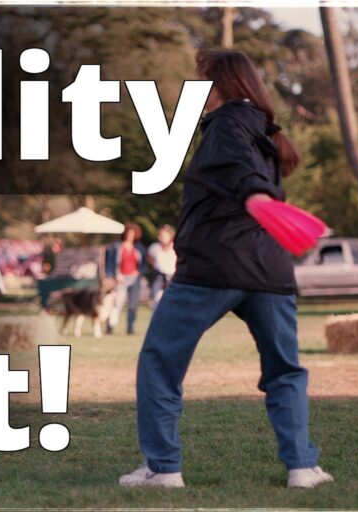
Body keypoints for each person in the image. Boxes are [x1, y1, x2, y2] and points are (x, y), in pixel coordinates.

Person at [119, 50, 332, 489]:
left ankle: (163, 469)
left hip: (214, 266)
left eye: (200, 82)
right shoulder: (266, 131)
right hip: (269, 269)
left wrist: (254, 195)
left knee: (159, 361)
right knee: (285, 370)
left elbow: (241, 168)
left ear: (220, 87)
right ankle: (302, 469)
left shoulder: (229, 124)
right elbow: (248, 168)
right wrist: (256, 195)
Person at [106, 222, 145, 335]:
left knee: (133, 305)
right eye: (128, 233)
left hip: (134, 279)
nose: (130, 236)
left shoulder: (139, 248)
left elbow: (143, 265)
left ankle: (130, 327)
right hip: (120, 278)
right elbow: (110, 262)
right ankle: (110, 327)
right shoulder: (116, 246)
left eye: (132, 234)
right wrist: (113, 275)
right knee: (117, 303)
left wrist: (138, 272)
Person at [146, 225, 177, 309]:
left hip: (173, 279)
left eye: (163, 235)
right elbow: (149, 257)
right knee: (157, 302)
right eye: (160, 235)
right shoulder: (155, 247)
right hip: (159, 278)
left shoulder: (176, 247)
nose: (161, 237)